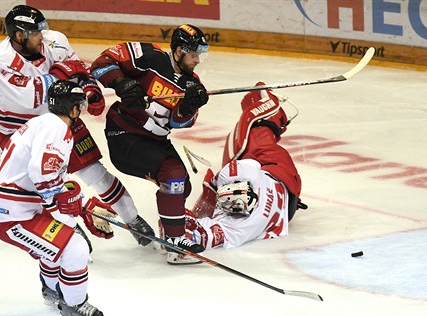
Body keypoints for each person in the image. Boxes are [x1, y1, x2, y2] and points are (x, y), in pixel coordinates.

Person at [0, 5, 154, 244]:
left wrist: (90, 90)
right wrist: (64, 73)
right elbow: (34, 98)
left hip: (61, 118)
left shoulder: (56, 41)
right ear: (19, 35)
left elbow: (80, 73)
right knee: (43, 184)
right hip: (20, 130)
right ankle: (71, 228)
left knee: (96, 173)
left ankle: (133, 219)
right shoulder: (0, 61)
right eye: (35, 33)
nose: (41, 37)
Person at [0, 80, 108, 316]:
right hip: (11, 213)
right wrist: (73, 202)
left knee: (60, 239)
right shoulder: (57, 128)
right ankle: (74, 305)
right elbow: (43, 173)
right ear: (72, 108)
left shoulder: (41, 123)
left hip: (12, 206)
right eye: (79, 106)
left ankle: (51, 290)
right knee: (75, 247)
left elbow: (53, 178)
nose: (80, 112)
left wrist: (83, 205)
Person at [90, 24, 210, 264]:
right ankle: (176, 243)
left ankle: (169, 231)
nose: (197, 60)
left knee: (181, 186)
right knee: (173, 175)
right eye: (193, 54)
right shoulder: (149, 56)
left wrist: (188, 106)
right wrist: (121, 83)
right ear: (178, 51)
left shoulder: (192, 84)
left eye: (200, 55)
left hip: (154, 140)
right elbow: (100, 64)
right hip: (124, 134)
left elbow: (178, 123)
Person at [186, 83, 307, 249]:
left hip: (288, 205)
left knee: (244, 153)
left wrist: (181, 225)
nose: (230, 208)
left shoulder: (237, 227)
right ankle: (268, 106)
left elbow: (205, 237)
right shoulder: (239, 224)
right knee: (257, 141)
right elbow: (212, 190)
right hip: (283, 176)